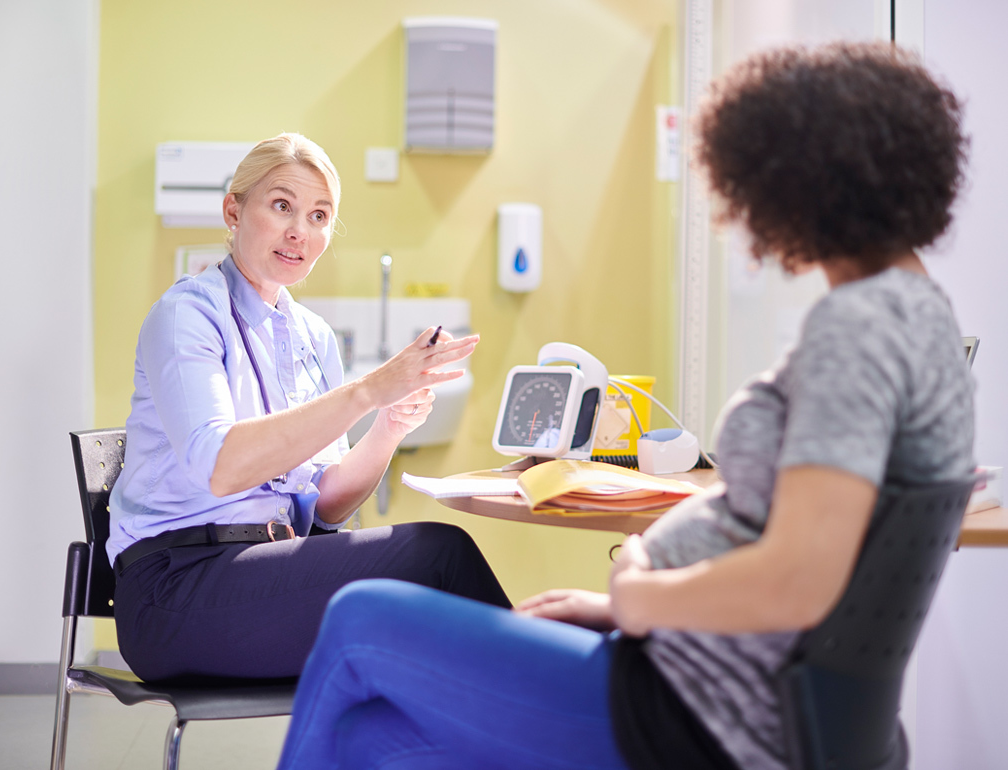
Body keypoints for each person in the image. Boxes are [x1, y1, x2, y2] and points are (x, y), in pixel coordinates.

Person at [276, 42, 974, 770]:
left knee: (360, 620)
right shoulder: (918, 318)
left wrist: (643, 601)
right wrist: (623, 610)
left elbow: (801, 578)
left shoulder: (859, 330)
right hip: (720, 679)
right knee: (370, 743)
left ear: (799, 183)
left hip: (702, 713)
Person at [107, 132, 511, 682]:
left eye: (319, 215)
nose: (301, 230)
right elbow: (219, 468)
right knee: (439, 556)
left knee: (427, 630)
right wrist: (367, 391)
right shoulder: (187, 316)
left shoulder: (312, 337)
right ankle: (569, 716)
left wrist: (388, 426)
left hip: (264, 571)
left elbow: (326, 507)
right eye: (281, 206)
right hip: (175, 586)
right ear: (233, 209)